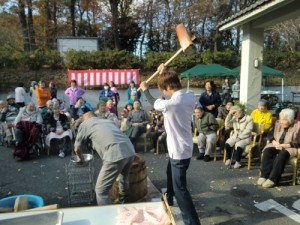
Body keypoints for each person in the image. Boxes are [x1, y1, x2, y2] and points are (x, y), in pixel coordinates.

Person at [140, 64, 201, 225]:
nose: (163, 93)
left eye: (163, 90)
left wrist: (145, 89)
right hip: (184, 146)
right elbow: (170, 93)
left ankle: (192, 222)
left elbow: (154, 102)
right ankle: (170, 198)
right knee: (170, 173)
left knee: (181, 188)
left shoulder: (171, 104)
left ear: (168, 87)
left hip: (178, 150)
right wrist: (163, 72)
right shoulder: (189, 96)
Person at [74, 112, 135, 205]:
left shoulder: (85, 124)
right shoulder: (107, 121)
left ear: (84, 119)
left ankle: (107, 215)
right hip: (129, 149)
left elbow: (77, 148)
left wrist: (81, 158)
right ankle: (124, 201)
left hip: (114, 153)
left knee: (101, 191)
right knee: (123, 177)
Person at [257, 108, 300, 188]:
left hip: (290, 147)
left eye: (284, 120)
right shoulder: (277, 123)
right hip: (276, 144)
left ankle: (273, 179)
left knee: (282, 155)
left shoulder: (298, 125)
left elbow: (298, 141)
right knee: (267, 151)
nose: (281, 122)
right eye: (281, 119)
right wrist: (274, 142)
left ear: (291, 120)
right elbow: (270, 134)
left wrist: (283, 146)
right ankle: (264, 175)